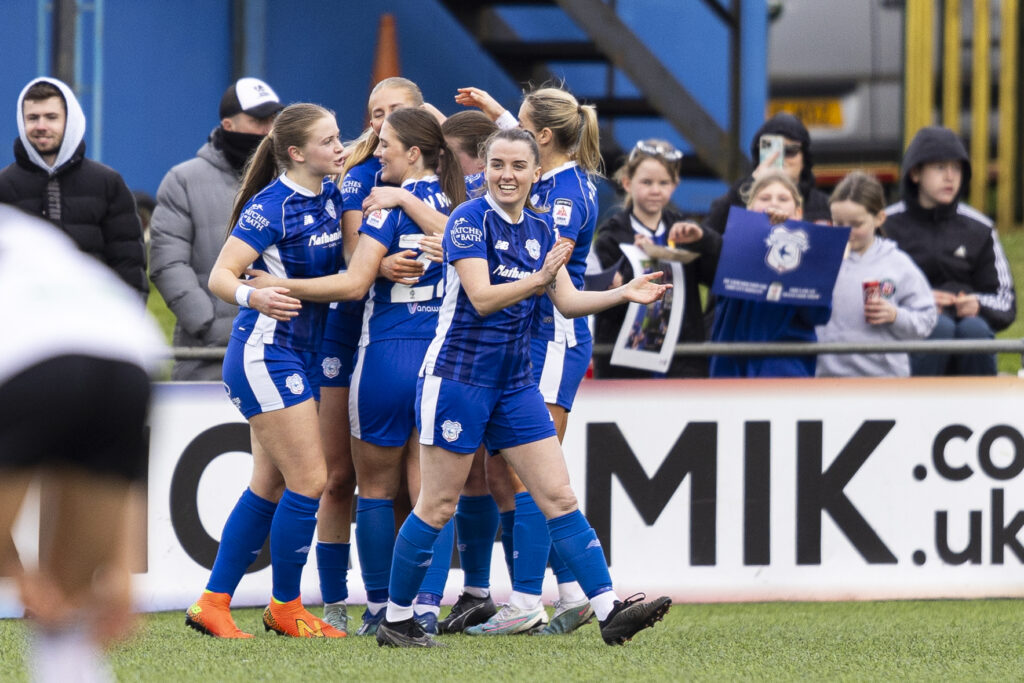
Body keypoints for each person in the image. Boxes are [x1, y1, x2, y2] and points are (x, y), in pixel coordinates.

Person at [372, 127, 672, 648]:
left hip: (514, 383)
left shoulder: (539, 228)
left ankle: (608, 610)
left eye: (518, 167)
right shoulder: (468, 219)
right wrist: (538, 279)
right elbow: (483, 297)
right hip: (458, 379)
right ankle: (396, 619)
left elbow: (569, 302)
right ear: (483, 170)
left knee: (557, 494)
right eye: (498, 166)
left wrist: (623, 291)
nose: (507, 176)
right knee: (436, 505)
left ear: (537, 174)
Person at [183, 103, 347, 639]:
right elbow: (219, 276)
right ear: (296, 152)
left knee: (269, 484)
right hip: (264, 354)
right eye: (329, 141)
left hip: (297, 354)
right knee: (312, 480)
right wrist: (255, 295)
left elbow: (378, 141)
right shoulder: (270, 205)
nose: (339, 147)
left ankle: (213, 602)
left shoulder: (329, 190)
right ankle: (286, 606)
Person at [455, 83, 604, 637]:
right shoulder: (557, 176)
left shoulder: (564, 193)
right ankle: (569, 592)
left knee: (531, 473)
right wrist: (495, 109)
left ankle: (524, 600)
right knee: (505, 469)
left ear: (541, 141)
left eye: (519, 126)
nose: (507, 134)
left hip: (553, 333)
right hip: (530, 337)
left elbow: (544, 263)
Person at [0, 205, 165, 680]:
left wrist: (19, 575)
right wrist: (120, 569)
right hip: (127, 352)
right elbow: (124, 468)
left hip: (34, 353)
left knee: (54, 603)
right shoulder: (28, 233)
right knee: (68, 613)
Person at [149, 77, 284, 381]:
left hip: (285, 349)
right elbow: (168, 263)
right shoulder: (183, 179)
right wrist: (211, 326)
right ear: (228, 124)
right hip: (208, 358)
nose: (267, 130)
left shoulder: (295, 178)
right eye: (257, 120)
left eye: (272, 120)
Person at [883, 126, 1016, 376]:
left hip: (969, 325)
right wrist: (919, 301)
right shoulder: (886, 225)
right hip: (906, 329)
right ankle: (917, 408)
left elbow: (1005, 300)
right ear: (915, 173)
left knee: (974, 332)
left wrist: (978, 305)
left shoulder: (981, 229)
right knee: (939, 327)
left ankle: (981, 409)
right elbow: (868, 287)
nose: (950, 177)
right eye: (940, 168)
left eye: (956, 168)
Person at [0, 77, 148, 300]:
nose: (41, 126)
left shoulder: (107, 183)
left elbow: (128, 263)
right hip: (23, 324)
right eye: (32, 118)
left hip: (92, 321)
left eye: (51, 117)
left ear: (70, 121)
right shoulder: (4, 185)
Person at [592, 138, 721, 378]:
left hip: (682, 365)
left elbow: (720, 278)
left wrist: (704, 239)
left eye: (664, 182)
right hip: (626, 369)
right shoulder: (612, 236)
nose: (655, 189)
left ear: (675, 185)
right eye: (647, 182)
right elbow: (600, 302)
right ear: (627, 183)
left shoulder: (683, 230)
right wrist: (619, 283)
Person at [709, 171, 832, 378]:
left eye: (783, 199)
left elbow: (819, 314)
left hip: (784, 369)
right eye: (764, 198)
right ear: (750, 208)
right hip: (731, 368)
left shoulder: (812, 254)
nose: (773, 204)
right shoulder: (733, 243)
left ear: (798, 211)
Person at [816, 171, 937, 377]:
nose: (846, 231)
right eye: (839, 223)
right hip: (827, 379)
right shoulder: (820, 259)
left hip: (883, 380)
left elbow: (927, 318)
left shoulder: (897, 263)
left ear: (879, 218)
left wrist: (895, 316)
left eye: (856, 224)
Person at [702, 112, 831, 236]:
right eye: (772, 150)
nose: (781, 158)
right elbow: (709, 237)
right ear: (759, 155)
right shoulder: (739, 193)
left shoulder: (823, 204)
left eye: (790, 151)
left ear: (804, 159)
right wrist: (750, 186)